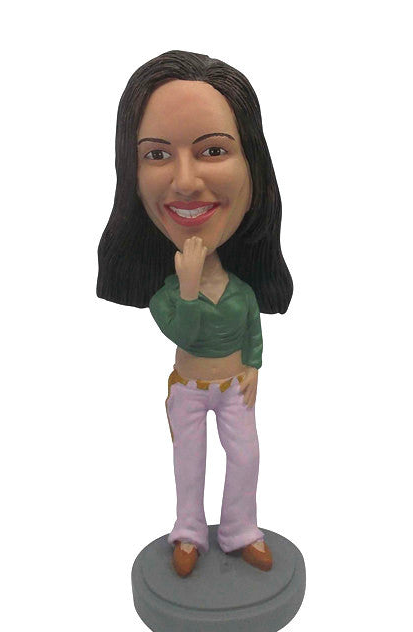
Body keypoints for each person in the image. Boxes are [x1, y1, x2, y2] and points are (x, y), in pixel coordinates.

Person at [97, 50, 292, 577]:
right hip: (188, 387)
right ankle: (188, 532)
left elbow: (251, 328)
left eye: (212, 150)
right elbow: (181, 329)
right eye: (157, 154)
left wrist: (253, 365)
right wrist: (185, 290)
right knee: (189, 462)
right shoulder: (167, 294)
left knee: (245, 457)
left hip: (233, 387)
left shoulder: (240, 291)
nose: (184, 181)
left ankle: (240, 529)